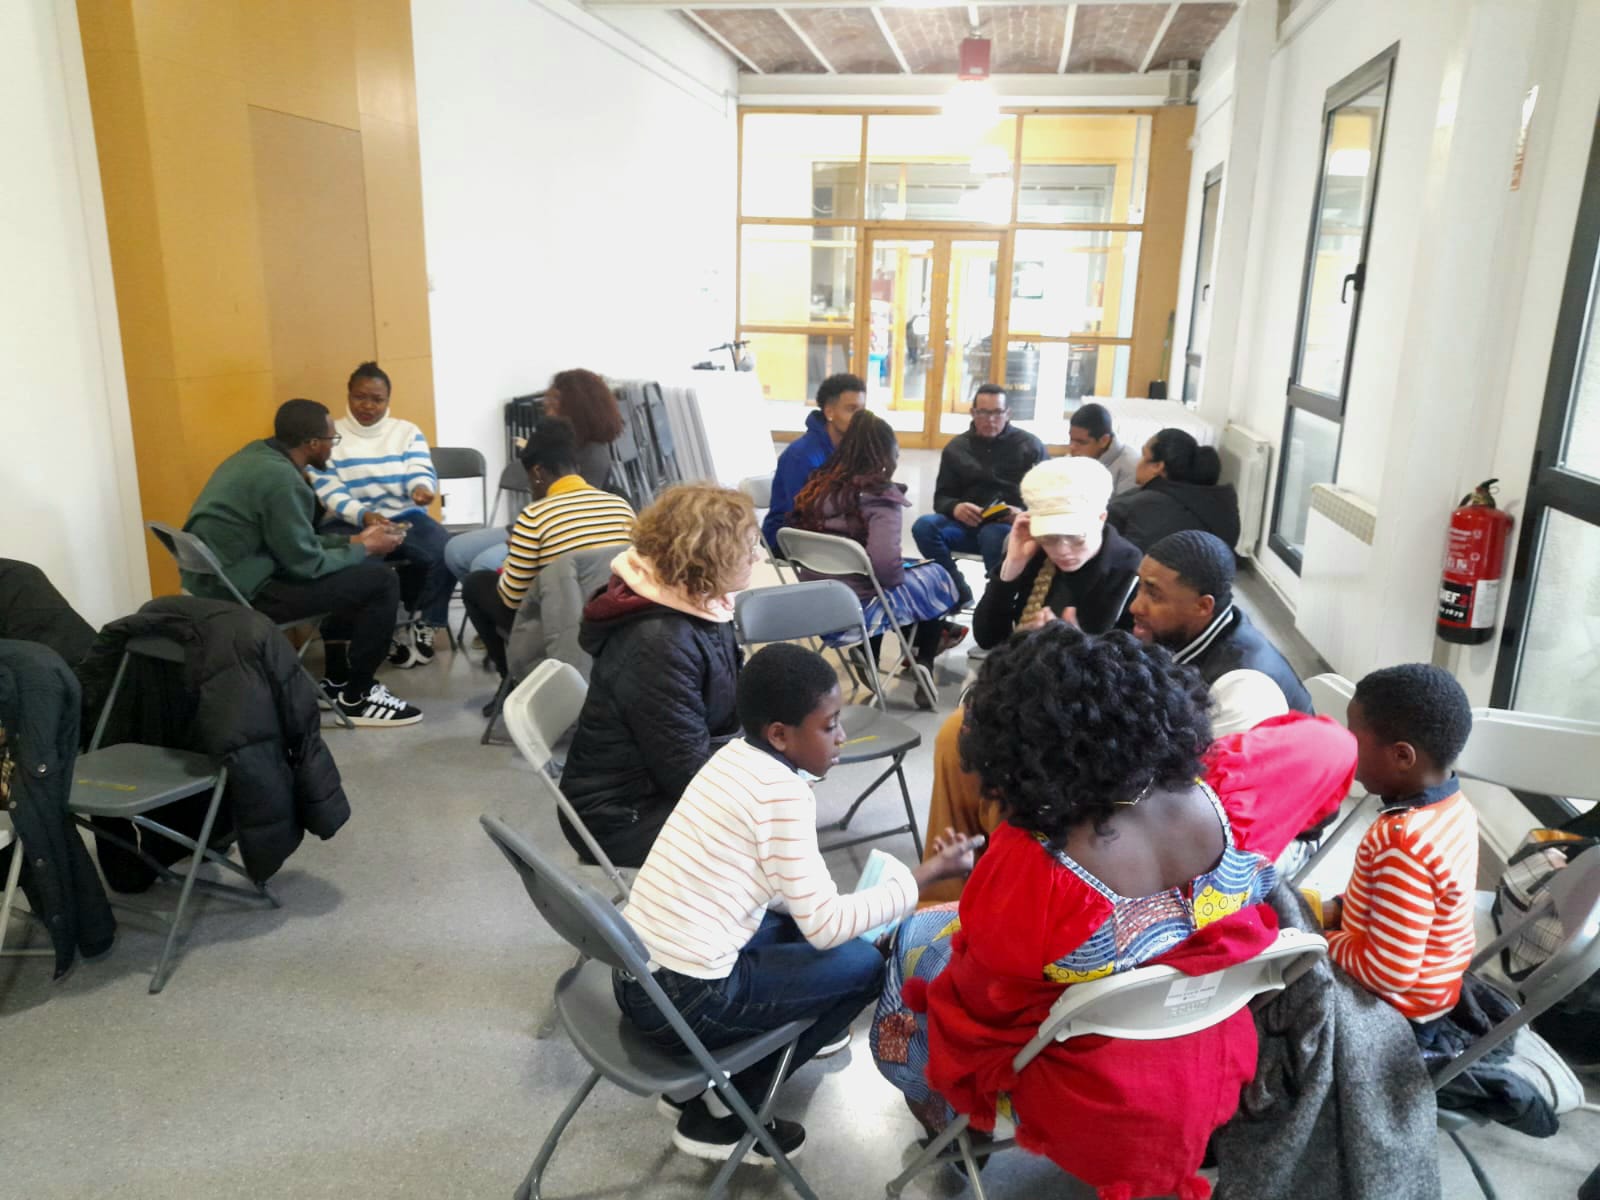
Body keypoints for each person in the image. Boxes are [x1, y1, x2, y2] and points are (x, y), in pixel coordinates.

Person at [870, 626, 1356, 1199]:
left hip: (1096, 1095)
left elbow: (984, 993)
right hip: (1212, 1048)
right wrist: (1198, 758)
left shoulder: (1033, 873)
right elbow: (1335, 747)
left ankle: (943, 1121)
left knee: (913, 946)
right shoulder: (1240, 794)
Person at [617, 643, 981, 1164]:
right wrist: (923, 877)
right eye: (830, 725)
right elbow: (826, 927)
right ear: (781, 735)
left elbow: (789, 897)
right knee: (865, 964)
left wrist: (850, 907)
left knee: (805, 931)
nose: (842, 736)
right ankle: (732, 1108)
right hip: (685, 1001)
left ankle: (688, 1091)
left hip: (640, 974)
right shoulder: (782, 795)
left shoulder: (732, 758)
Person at [182, 399, 422, 726]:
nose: (332, 449)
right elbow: (306, 565)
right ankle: (359, 696)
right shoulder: (282, 480)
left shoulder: (254, 457)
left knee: (350, 570)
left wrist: (353, 541)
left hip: (223, 581)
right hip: (245, 594)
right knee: (380, 580)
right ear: (312, 443)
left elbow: (291, 541)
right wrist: (367, 550)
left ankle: (337, 680)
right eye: (331, 441)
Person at [559, 484, 758, 868]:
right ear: (711, 554)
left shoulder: (697, 601)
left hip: (651, 785)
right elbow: (685, 773)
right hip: (620, 816)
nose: (757, 556)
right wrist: (766, 774)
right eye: (748, 548)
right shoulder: (659, 641)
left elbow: (727, 701)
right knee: (767, 826)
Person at [1323, 664, 1479, 1024]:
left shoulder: (1402, 842)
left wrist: (1318, 939)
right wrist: (1335, 911)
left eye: (1354, 737)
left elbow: (1387, 973)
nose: (1347, 746)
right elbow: (1396, 907)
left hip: (1395, 1009)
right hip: (1431, 993)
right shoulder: (1455, 808)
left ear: (1402, 756)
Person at [788, 410, 962, 694]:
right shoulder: (880, 500)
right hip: (858, 609)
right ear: (886, 456)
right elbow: (884, 568)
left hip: (815, 600)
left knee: (884, 579)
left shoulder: (816, 488)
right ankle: (924, 661)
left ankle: (869, 654)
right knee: (933, 577)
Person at [460, 419, 636, 687]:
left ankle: (512, 682)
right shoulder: (620, 505)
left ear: (538, 472)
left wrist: (513, 558)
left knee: (475, 585)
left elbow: (512, 598)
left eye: (530, 478)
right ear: (576, 467)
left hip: (563, 626)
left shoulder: (534, 516)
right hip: (619, 619)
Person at [305, 362, 451, 669]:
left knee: (444, 551)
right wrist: (365, 515)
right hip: (347, 520)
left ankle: (424, 621)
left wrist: (422, 487)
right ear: (348, 395)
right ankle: (379, 633)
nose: (368, 405)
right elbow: (328, 489)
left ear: (388, 400)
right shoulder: (331, 434)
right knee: (361, 568)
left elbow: (419, 468)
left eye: (377, 399)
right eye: (361, 397)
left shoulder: (406, 431)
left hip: (404, 514)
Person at [444, 367, 626, 580]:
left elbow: (567, 516)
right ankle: (488, 602)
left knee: (483, 564)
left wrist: (525, 536)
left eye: (554, 399)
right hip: (536, 524)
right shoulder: (557, 440)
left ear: (577, 404)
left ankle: (510, 606)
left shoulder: (594, 453)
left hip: (562, 533)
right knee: (456, 550)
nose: (545, 403)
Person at [1129, 530, 1314, 734]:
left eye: (1154, 596)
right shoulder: (1201, 630)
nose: (1135, 607)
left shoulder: (1241, 690)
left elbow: (1197, 763)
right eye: (1140, 587)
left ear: (1203, 606)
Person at [970, 456, 1142, 651]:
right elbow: (987, 638)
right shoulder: (1033, 551)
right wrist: (1011, 567)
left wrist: (1070, 645)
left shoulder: (1129, 568)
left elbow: (1131, 665)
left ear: (1101, 518)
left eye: (1076, 538)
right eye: (1049, 538)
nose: (1061, 551)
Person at [911, 384, 1047, 607]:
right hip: (966, 526)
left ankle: (996, 602)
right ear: (973, 413)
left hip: (1010, 528)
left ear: (1008, 414)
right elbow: (941, 498)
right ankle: (956, 588)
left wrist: (1021, 513)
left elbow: (1047, 498)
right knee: (924, 526)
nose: (990, 419)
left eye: (996, 413)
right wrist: (955, 507)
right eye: (983, 412)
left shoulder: (1029, 446)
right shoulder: (957, 448)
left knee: (992, 534)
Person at [762, 373, 865, 553]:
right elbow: (798, 515)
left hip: (830, 532)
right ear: (829, 412)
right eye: (851, 409)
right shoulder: (801, 456)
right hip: (791, 537)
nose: (860, 418)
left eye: (862, 410)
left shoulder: (852, 449)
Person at [1108, 427, 1241, 551]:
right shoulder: (1221, 505)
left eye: (1144, 455)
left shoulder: (1136, 505)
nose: (1138, 462)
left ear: (1158, 466)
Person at [1066, 402, 1141, 497]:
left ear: (1104, 440)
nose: (1072, 447)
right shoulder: (1077, 457)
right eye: (1071, 439)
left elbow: (1124, 510)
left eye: (1081, 442)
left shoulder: (1131, 468)